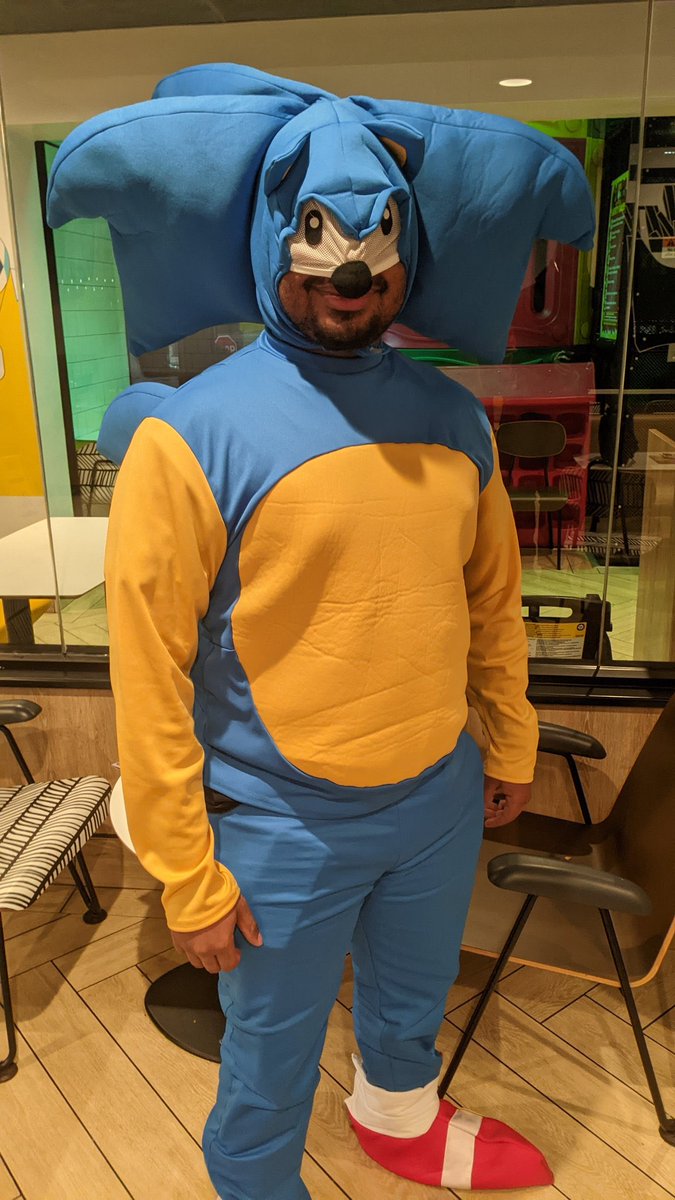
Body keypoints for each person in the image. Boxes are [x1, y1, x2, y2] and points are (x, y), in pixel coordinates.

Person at [48, 64, 595, 1200]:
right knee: (269, 1051)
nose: (351, 275)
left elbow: (490, 603)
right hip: (279, 821)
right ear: (275, 236)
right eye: (319, 237)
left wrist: (506, 741)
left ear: (407, 249)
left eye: (375, 242)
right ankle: (254, 1181)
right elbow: (146, 670)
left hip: (435, 794)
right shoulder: (192, 435)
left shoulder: (454, 420)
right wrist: (187, 874)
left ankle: (399, 1115)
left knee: (412, 999)